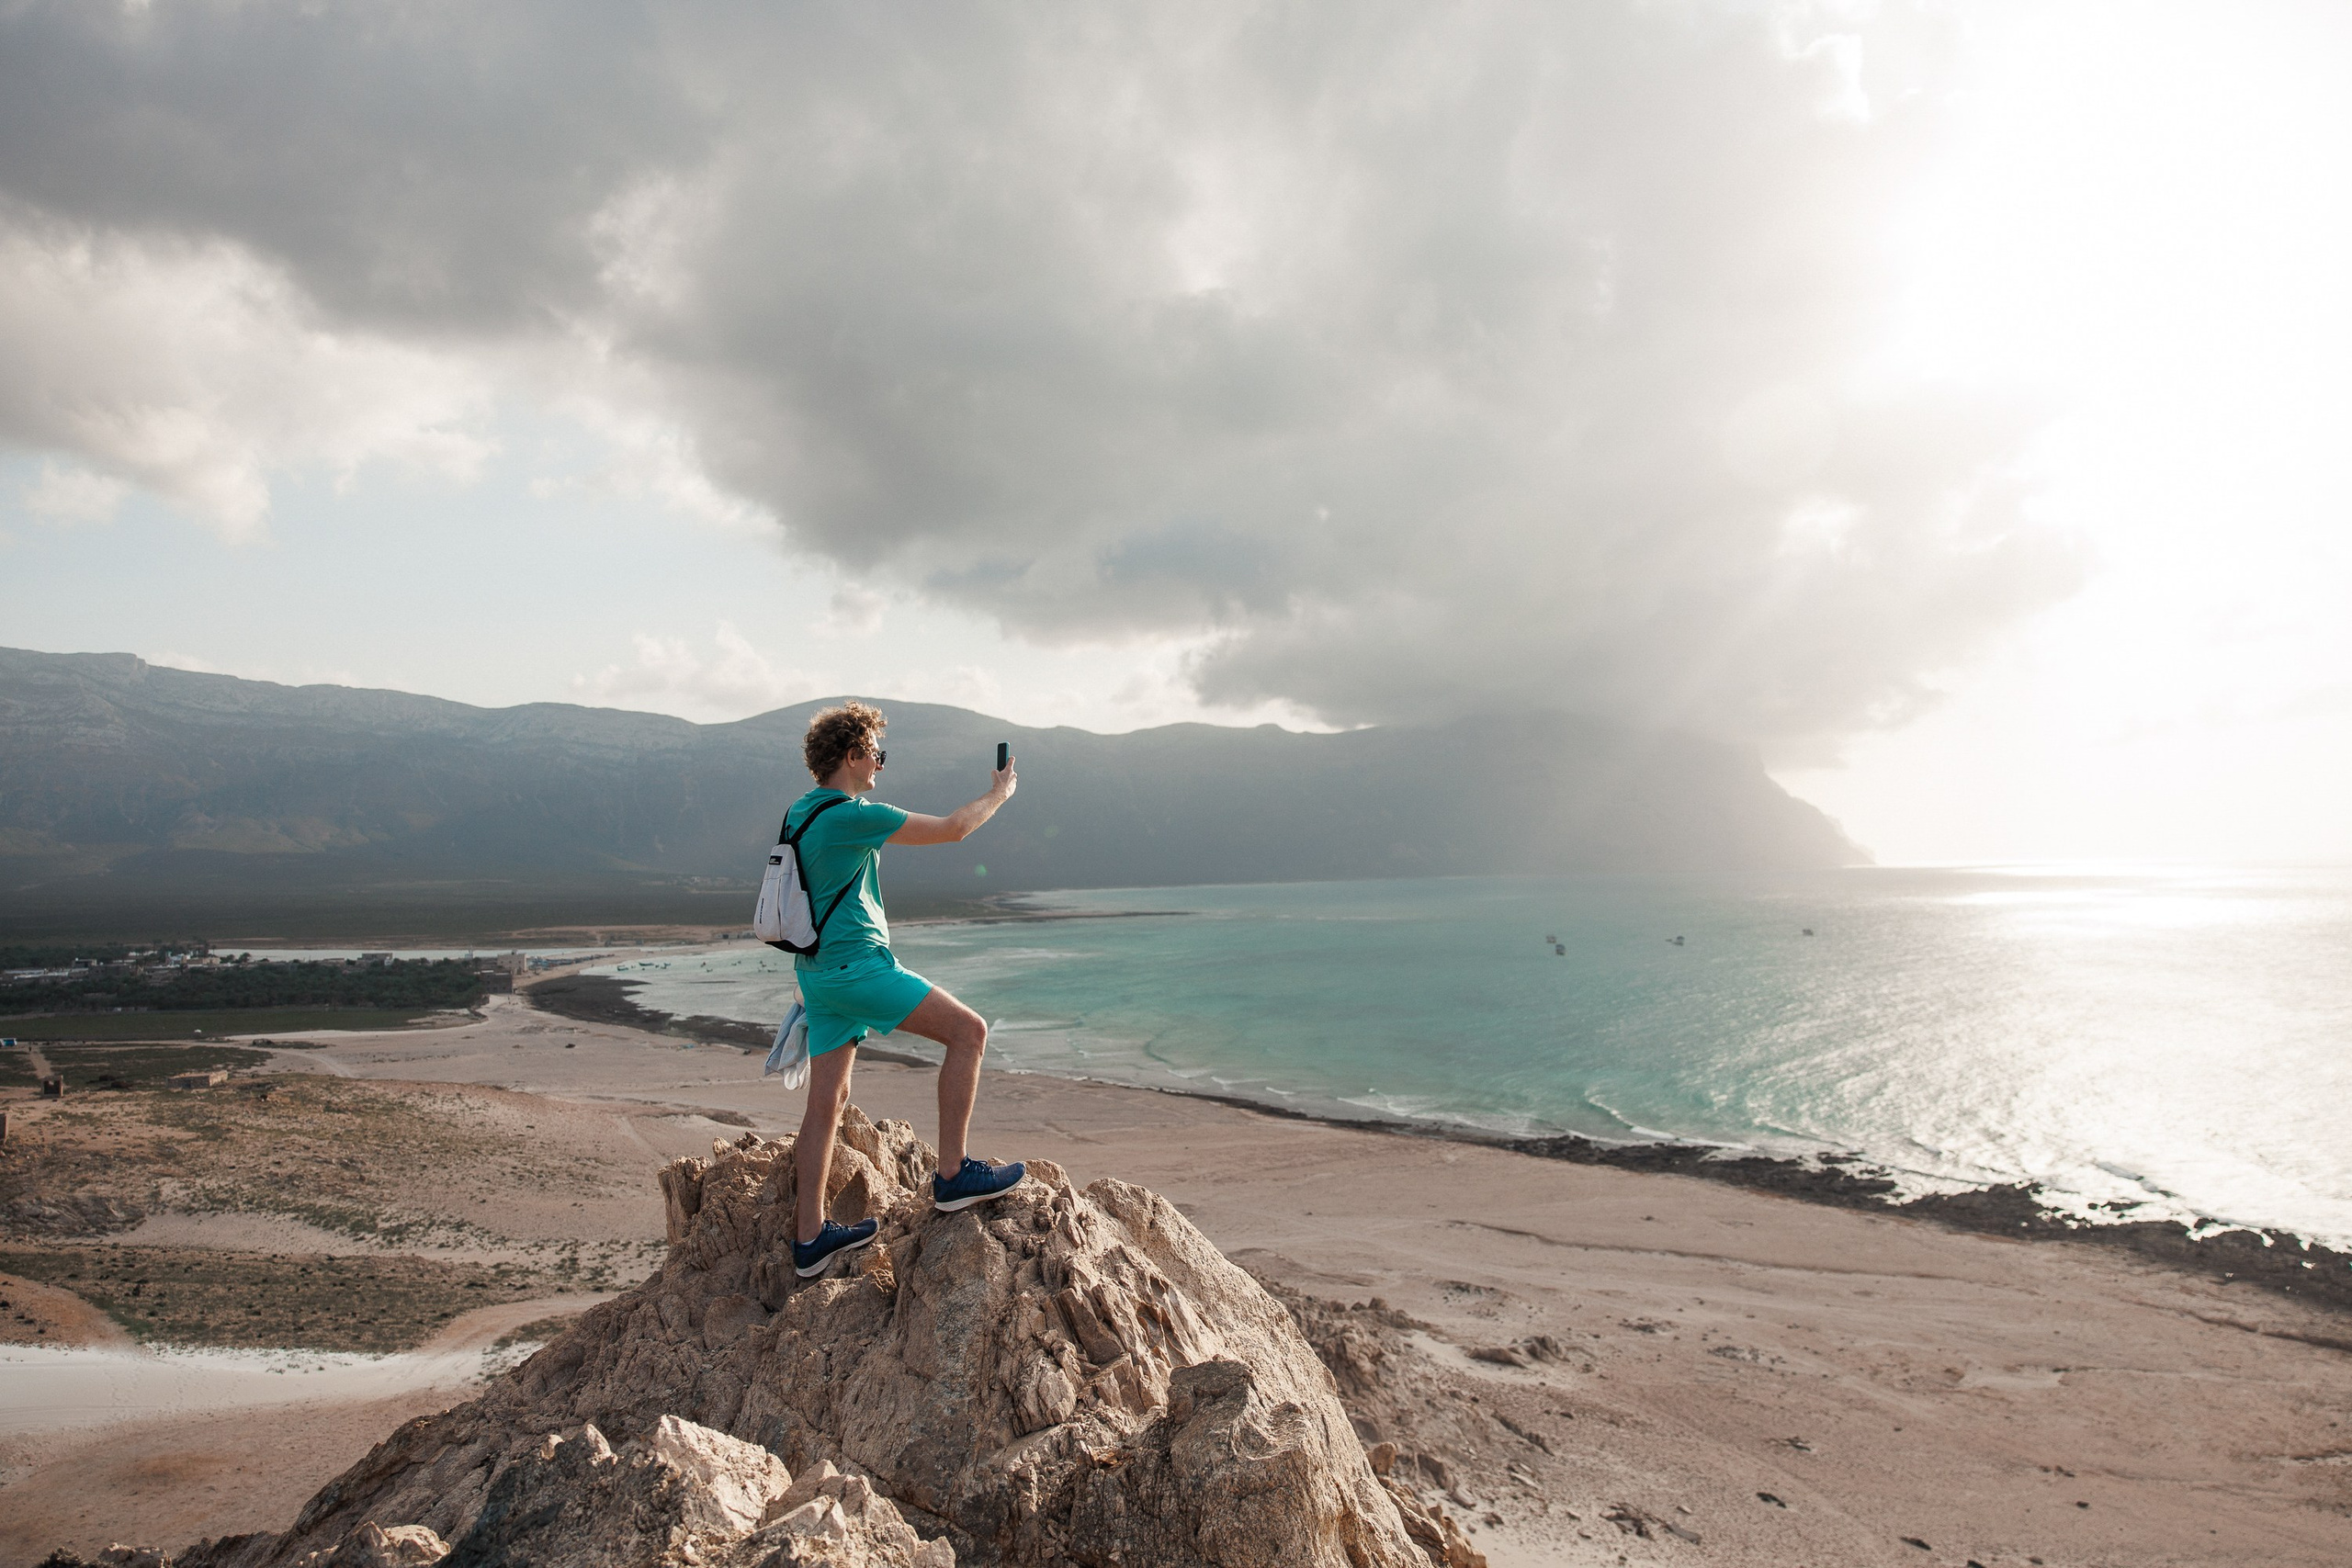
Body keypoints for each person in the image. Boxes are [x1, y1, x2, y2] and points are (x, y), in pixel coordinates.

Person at [783, 701, 1024, 1278]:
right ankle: (953, 1176)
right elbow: (953, 830)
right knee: (970, 1032)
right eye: (876, 754)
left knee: (827, 1102)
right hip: (860, 970)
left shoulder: (800, 813)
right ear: (852, 755)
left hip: (816, 977)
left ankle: (810, 1238)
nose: (880, 766)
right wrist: (1000, 794)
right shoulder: (850, 814)